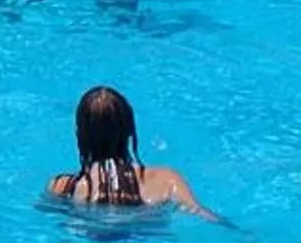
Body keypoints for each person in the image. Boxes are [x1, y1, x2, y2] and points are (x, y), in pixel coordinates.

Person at [46, 86, 219, 218]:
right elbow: (199, 213)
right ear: (129, 129)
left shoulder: (63, 188)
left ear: (80, 135)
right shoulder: (166, 180)